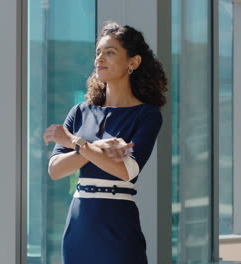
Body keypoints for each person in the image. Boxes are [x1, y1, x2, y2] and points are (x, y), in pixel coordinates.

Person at [43, 21, 167, 264]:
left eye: (110, 52)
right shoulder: (79, 112)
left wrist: (75, 142)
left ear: (133, 62)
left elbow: (126, 171)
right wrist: (96, 149)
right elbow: (55, 169)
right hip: (79, 224)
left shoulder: (147, 115)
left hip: (118, 225)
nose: (100, 58)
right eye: (98, 52)